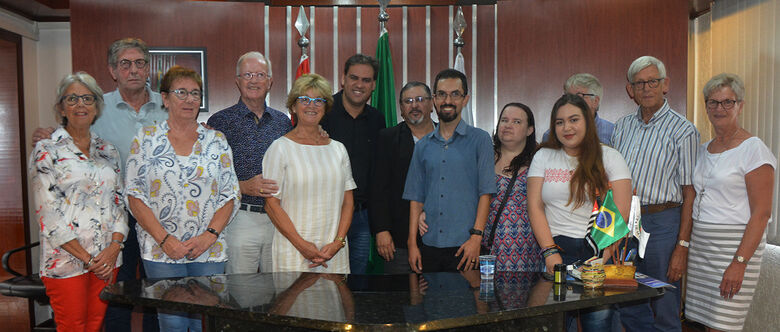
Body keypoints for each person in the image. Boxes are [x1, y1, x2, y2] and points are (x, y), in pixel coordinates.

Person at [32, 38, 166, 332]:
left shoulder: (168, 106)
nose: (133, 70)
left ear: (148, 69)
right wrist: (47, 135)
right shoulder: (95, 109)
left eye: (140, 63)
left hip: (156, 219)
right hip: (93, 240)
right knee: (115, 303)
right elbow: (69, 139)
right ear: (113, 70)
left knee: (157, 296)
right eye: (125, 64)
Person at [124, 66, 240, 332]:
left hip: (209, 249)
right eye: (181, 92)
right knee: (172, 322)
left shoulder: (216, 140)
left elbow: (230, 193)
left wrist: (209, 236)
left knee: (208, 322)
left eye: (195, 93)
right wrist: (165, 240)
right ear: (165, 98)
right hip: (161, 250)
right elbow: (134, 194)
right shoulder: (146, 139)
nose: (189, 99)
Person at [30, 72, 128, 331]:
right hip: (66, 260)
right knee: (73, 326)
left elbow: (119, 203)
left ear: (97, 106)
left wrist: (114, 248)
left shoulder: (109, 150)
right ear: (61, 106)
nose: (80, 105)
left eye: (87, 98)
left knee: (95, 326)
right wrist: (88, 258)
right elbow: (47, 214)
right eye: (72, 98)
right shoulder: (46, 150)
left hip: (107, 260)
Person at [527, 94, 632, 331]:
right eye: (560, 122)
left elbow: (621, 214)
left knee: (597, 323)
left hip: (598, 252)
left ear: (587, 121)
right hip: (556, 252)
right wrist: (550, 253)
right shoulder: (543, 156)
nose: (567, 127)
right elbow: (534, 206)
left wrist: (602, 259)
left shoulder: (611, 157)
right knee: (557, 323)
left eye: (574, 120)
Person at [611, 56, 699, 332]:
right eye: (640, 83)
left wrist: (682, 247)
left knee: (664, 300)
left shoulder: (683, 130)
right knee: (625, 299)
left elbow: (690, 192)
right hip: (625, 221)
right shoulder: (621, 127)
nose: (647, 88)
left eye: (653, 81)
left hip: (664, 222)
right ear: (630, 90)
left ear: (665, 85)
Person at [685, 73, 775, 332]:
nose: (719, 108)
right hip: (703, 249)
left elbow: (762, 213)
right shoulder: (703, 149)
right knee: (705, 324)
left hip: (734, 248)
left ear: (740, 105)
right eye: (713, 102)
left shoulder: (754, 149)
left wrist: (739, 262)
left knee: (724, 324)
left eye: (727, 102)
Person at [207, 52, 292, 274]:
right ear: (237, 81)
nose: (254, 80)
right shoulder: (219, 122)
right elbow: (208, 176)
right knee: (241, 293)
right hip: (239, 218)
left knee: (278, 292)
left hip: (279, 221)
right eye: (247, 74)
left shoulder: (283, 122)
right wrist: (242, 186)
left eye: (260, 74)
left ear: (270, 81)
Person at [403, 68, 495, 273]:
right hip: (430, 246)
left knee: (467, 305)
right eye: (442, 94)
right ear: (434, 99)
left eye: (455, 94)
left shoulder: (480, 140)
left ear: (465, 99)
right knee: (432, 303)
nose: (448, 100)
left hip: (467, 246)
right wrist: (412, 244)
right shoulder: (422, 146)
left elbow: (486, 193)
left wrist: (476, 237)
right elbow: (415, 198)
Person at [263, 73, 356, 273]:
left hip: (334, 252)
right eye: (304, 99)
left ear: (325, 107)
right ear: (293, 106)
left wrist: (338, 242)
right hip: (293, 251)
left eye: (318, 100)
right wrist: (303, 246)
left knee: (334, 304)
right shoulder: (279, 149)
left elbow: (348, 201)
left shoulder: (338, 149)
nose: (311, 105)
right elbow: (271, 205)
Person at [320, 54, 386, 274]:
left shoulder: (377, 119)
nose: (359, 85)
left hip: (361, 217)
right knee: (325, 280)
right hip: (328, 214)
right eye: (354, 78)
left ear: (374, 85)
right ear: (343, 79)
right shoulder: (322, 113)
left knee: (357, 282)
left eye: (366, 80)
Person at [369, 81, 435, 274]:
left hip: (441, 240)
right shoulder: (387, 138)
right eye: (408, 101)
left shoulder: (446, 138)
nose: (414, 105)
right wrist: (381, 230)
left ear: (432, 105)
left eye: (420, 100)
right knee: (399, 300)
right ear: (401, 109)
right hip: (399, 240)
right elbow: (377, 189)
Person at [482, 102, 543, 272]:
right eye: (504, 120)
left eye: (516, 122)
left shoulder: (539, 161)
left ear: (529, 130)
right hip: (486, 249)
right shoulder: (482, 158)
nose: (508, 125)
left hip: (528, 252)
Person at [542, 73, 614, 145]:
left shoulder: (613, 132)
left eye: (579, 97)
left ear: (595, 101)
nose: (571, 102)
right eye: (568, 97)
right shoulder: (551, 135)